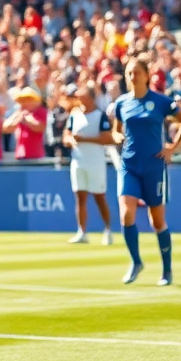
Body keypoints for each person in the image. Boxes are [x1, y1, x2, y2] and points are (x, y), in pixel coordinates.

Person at [110, 56, 181, 286]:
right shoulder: (122, 103)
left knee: (157, 221)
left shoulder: (161, 101)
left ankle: (167, 270)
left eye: (136, 72)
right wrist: (117, 136)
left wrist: (172, 148)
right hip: (129, 165)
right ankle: (136, 261)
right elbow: (116, 130)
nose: (132, 77)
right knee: (126, 214)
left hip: (154, 166)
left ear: (147, 75)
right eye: (129, 73)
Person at [62, 84, 114, 245]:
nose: (79, 97)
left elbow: (107, 138)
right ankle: (82, 232)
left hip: (96, 162)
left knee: (99, 197)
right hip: (78, 161)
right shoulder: (74, 114)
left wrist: (83, 139)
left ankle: (107, 230)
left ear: (91, 97)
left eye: (82, 95)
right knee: (80, 197)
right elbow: (67, 135)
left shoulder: (100, 115)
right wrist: (70, 141)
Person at [5, 88, 48, 159]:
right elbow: (6, 128)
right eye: (23, 100)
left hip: (36, 156)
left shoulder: (41, 112)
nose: (25, 103)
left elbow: (40, 127)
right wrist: (17, 119)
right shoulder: (19, 113)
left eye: (28, 99)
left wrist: (27, 118)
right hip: (20, 155)